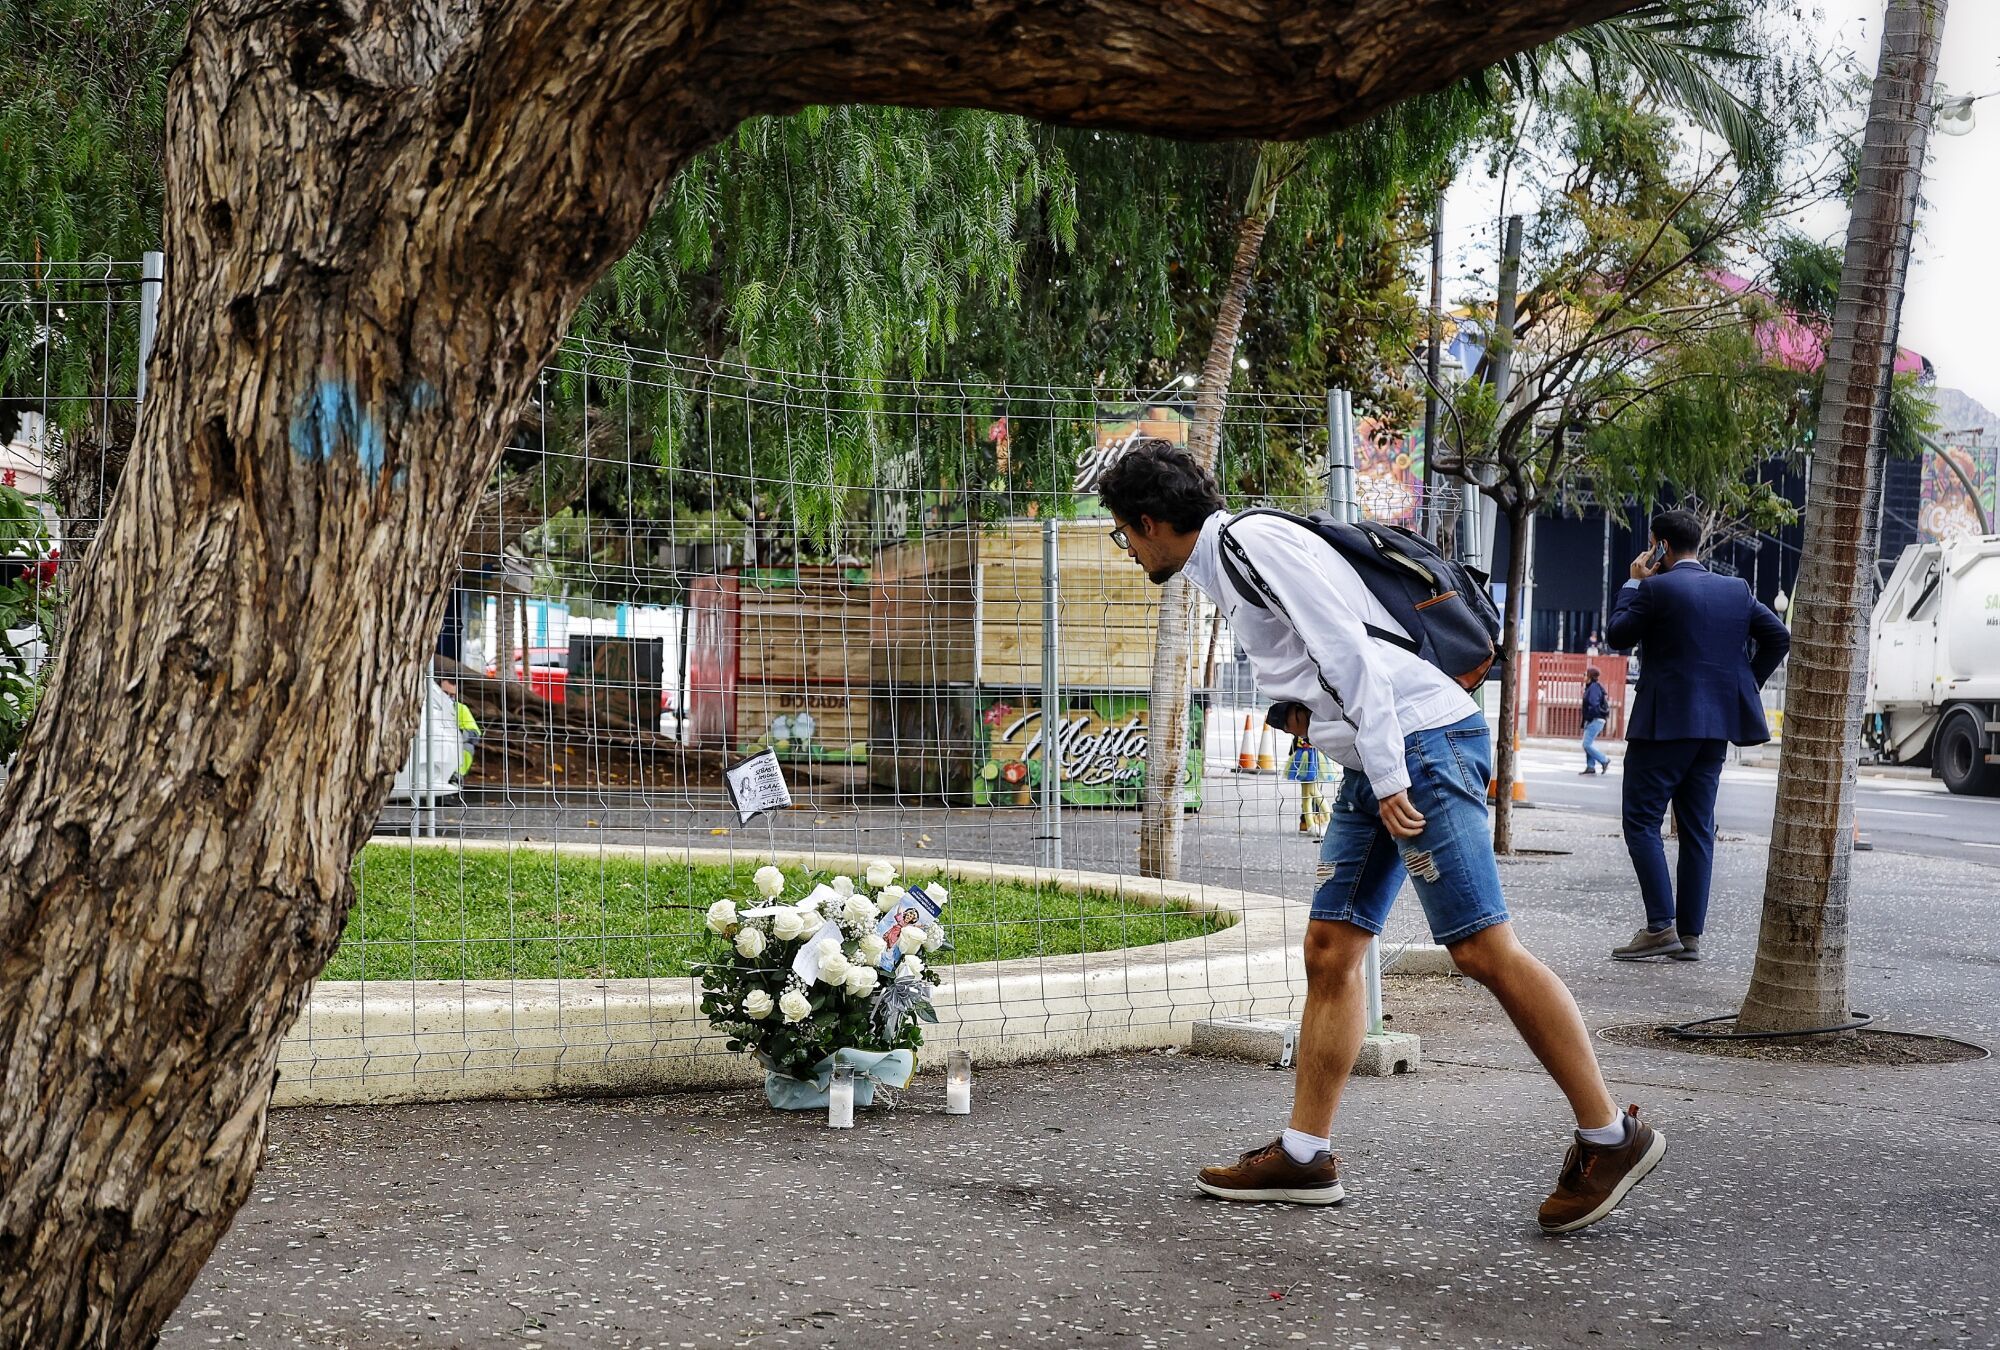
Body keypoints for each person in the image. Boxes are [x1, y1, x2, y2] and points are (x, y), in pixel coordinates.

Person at [1098, 439, 1665, 1234]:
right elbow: (1319, 659)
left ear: (1151, 523)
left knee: (1480, 949)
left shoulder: (1249, 542)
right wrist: (1305, 717)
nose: (1126, 549)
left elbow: (1347, 649)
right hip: (1381, 752)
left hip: (1416, 745)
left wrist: (1393, 776)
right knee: (1331, 951)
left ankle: (1611, 1136)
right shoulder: (1225, 562)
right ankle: (1304, 1155)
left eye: (1124, 532)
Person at [1605, 509, 1790, 962]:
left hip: (1662, 726)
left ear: (1660, 546)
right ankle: (1689, 935)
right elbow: (1779, 637)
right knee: (1697, 829)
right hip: (1714, 733)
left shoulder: (1653, 588)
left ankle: (1659, 926)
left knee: (1642, 822)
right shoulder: (1736, 590)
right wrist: (1741, 687)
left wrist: (1633, 582)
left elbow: (1617, 636)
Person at [1284, 728, 1331, 839]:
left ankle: (1327, 820)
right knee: (1307, 794)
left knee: (1312, 792)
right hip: (1304, 755)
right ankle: (1311, 824)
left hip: (1311, 757)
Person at [1579, 668, 1612, 776]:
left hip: (1596, 719)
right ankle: (1590, 766)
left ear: (1589, 676)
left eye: (1585, 674)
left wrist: (1590, 716)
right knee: (1589, 743)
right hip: (1593, 719)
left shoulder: (1593, 688)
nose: (1583, 677)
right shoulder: (1591, 687)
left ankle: (1604, 760)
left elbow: (1594, 704)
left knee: (1587, 744)